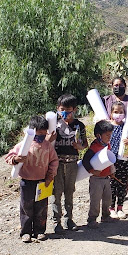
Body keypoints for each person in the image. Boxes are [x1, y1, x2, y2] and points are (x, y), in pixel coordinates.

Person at [5, 116, 59, 243]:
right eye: (39, 134)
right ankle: (26, 232)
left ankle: (40, 231)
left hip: (42, 182)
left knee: (41, 208)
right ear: (32, 131)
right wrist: (16, 159)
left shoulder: (47, 146)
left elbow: (54, 161)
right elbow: (9, 156)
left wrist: (50, 176)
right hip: (27, 181)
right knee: (26, 207)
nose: (41, 136)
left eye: (44, 133)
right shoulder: (23, 145)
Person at [46, 94, 88, 233]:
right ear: (57, 109)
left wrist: (79, 146)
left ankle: (69, 219)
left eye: (68, 110)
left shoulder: (79, 125)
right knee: (55, 193)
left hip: (72, 163)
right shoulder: (53, 125)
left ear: (75, 110)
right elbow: (44, 142)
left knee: (69, 192)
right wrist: (48, 138)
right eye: (62, 109)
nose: (65, 113)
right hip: (56, 164)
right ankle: (56, 221)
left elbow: (85, 144)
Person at [82, 120, 118, 228]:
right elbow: (85, 161)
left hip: (106, 178)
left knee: (108, 198)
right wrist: (92, 171)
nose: (109, 137)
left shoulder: (107, 145)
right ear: (99, 135)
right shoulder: (94, 147)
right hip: (96, 179)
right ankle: (92, 219)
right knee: (95, 200)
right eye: (107, 135)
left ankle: (106, 216)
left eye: (110, 135)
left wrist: (112, 172)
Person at [108, 101, 128, 219]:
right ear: (111, 113)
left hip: (123, 161)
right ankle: (111, 208)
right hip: (110, 161)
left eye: (121, 112)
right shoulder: (108, 127)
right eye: (116, 112)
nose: (118, 115)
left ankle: (120, 207)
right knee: (111, 185)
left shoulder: (127, 127)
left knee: (122, 183)